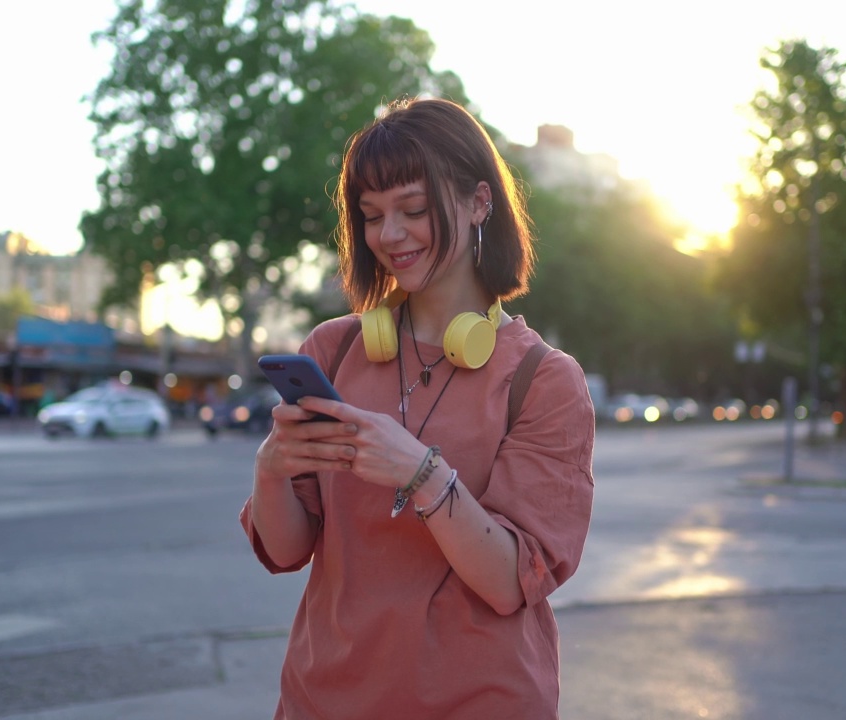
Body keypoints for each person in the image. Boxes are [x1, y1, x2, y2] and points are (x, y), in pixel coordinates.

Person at [240, 97, 596, 718]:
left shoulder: (544, 380)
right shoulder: (334, 349)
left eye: (414, 209)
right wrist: (272, 468)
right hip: (322, 698)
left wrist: (423, 473)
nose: (390, 235)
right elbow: (287, 549)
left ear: (479, 201)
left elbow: (512, 581)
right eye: (372, 216)